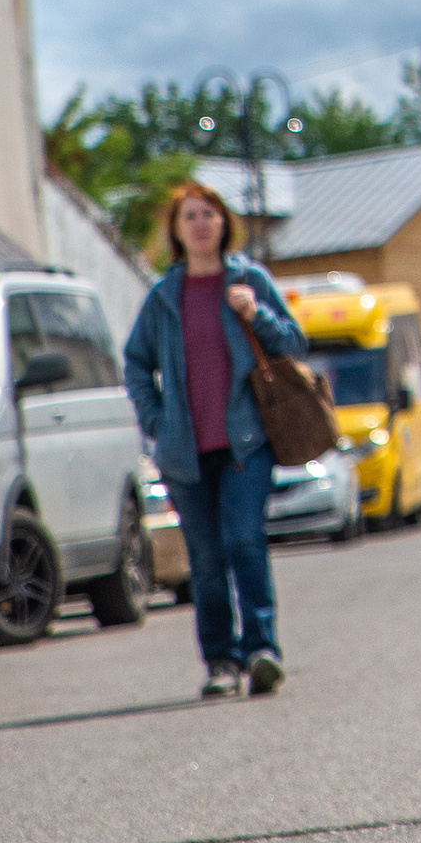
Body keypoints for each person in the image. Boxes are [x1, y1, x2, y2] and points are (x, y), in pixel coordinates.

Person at [123, 183, 309, 699]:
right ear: (177, 230)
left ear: (225, 223)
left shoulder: (249, 280)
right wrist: (157, 421)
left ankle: (262, 650)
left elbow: (295, 342)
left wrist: (256, 314)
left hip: (246, 443)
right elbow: (136, 364)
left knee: (245, 542)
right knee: (205, 561)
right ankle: (221, 661)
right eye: (190, 216)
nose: (201, 223)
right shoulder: (164, 296)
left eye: (209, 214)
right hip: (184, 452)